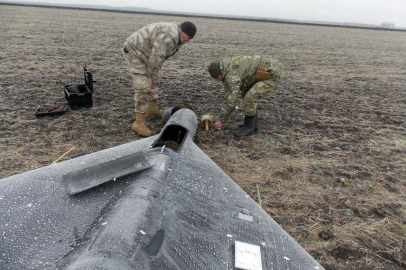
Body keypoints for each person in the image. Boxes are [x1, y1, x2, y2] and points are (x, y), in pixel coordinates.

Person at [123, 21, 197, 137]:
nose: (189, 41)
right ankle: (138, 123)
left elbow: (160, 56)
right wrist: (149, 75)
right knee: (143, 86)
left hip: (147, 53)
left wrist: (155, 72)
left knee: (154, 80)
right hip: (136, 51)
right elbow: (156, 56)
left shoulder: (176, 36)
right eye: (188, 37)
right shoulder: (169, 36)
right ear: (183, 32)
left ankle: (151, 110)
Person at [208, 55, 283, 137]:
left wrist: (222, 121)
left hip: (272, 73)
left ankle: (248, 127)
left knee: (249, 98)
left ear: (220, 73)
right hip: (261, 71)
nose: (217, 80)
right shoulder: (227, 67)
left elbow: (232, 98)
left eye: (216, 77)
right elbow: (228, 93)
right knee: (245, 92)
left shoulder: (231, 75)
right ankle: (254, 125)